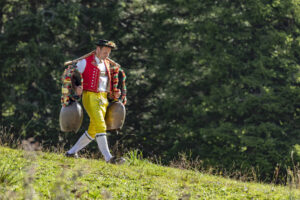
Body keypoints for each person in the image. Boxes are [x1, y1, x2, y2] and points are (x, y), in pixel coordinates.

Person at [65, 39, 125, 164]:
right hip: (90, 96)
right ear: (97, 50)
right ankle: (108, 158)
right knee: (101, 125)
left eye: (108, 52)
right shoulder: (84, 62)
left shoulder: (107, 64)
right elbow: (71, 73)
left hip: (103, 98)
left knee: (93, 129)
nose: (107, 55)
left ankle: (71, 152)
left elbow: (109, 82)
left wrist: (115, 92)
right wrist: (76, 87)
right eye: (105, 52)